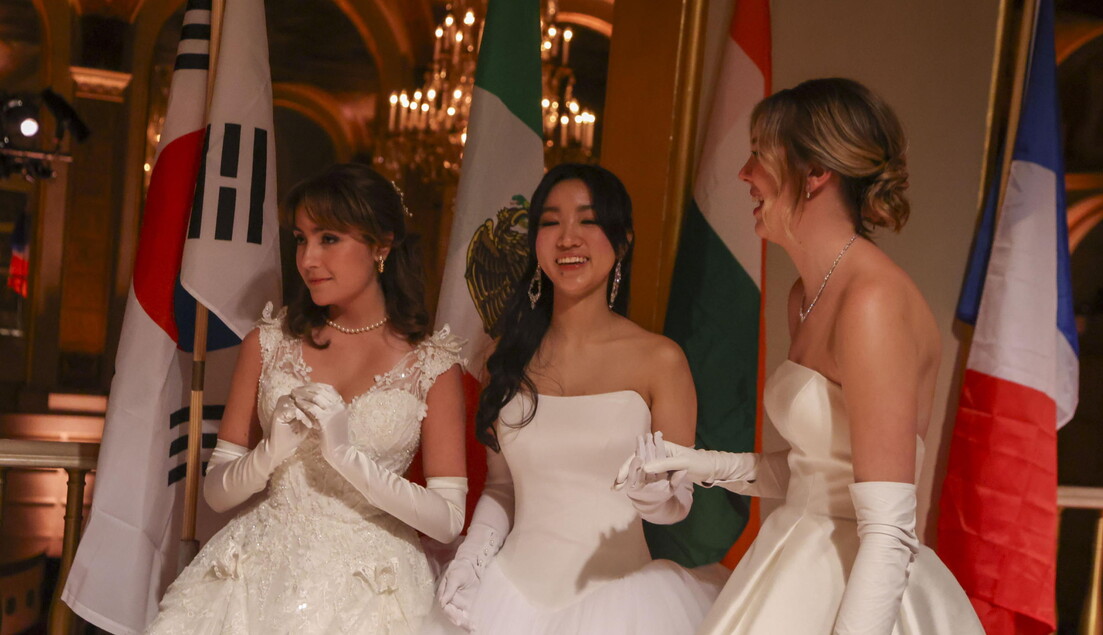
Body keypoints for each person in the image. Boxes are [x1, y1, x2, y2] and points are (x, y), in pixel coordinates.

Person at [628, 78, 986, 634]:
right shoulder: (805, 295)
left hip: (861, 587)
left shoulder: (872, 302)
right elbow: (816, 471)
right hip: (796, 556)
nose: (745, 174)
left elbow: (889, 532)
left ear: (816, 173)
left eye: (758, 156)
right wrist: (701, 465)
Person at [145, 163, 467, 634]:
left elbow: (447, 521)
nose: (309, 259)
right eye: (301, 239)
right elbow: (216, 493)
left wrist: (346, 456)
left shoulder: (433, 365)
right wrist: (270, 452)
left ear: (382, 244)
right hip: (257, 577)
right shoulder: (269, 342)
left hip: (372, 590)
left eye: (329, 239)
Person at [424, 163, 723, 634]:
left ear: (622, 241)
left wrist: (657, 498)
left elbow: (678, 501)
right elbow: (502, 489)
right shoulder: (506, 355)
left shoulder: (660, 360)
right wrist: (470, 559)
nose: (568, 238)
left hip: (623, 605)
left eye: (587, 221)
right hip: (509, 600)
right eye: (550, 221)